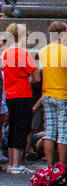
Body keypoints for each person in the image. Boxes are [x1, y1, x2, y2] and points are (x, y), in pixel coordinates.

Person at [2, 23, 37, 173]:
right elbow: (35, 77)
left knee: (13, 128)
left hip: (9, 95)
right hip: (23, 94)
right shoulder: (23, 54)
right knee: (22, 128)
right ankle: (17, 164)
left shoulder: (5, 53)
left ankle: (11, 163)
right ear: (21, 37)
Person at [38, 21, 67, 169]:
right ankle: (61, 165)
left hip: (47, 93)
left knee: (50, 131)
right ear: (64, 33)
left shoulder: (43, 51)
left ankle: (50, 165)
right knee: (64, 132)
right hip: (64, 93)